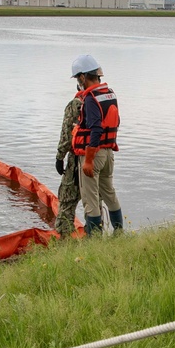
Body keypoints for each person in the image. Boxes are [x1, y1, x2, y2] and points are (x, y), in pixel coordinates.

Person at [69, 54, 122, 235]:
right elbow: (115, 122)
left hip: (94, 154)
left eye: (78, 78)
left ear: (84, 76)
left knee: (90, 199)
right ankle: (119, 232)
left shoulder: (91, 98)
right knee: (109, 193)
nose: (78, 82)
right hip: (108, 154)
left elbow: (96, 130)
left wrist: (89, 159)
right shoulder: (109, 94)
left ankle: (94, 240)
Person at [54, 86, 82, 239]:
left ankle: (64, 241)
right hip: (100, 159)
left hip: (77, 160)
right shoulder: (103, 100)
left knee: (66, 201)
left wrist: (59, 157)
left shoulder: (75, 105)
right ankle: (96, 237)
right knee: (94, 203)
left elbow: (66, 134)